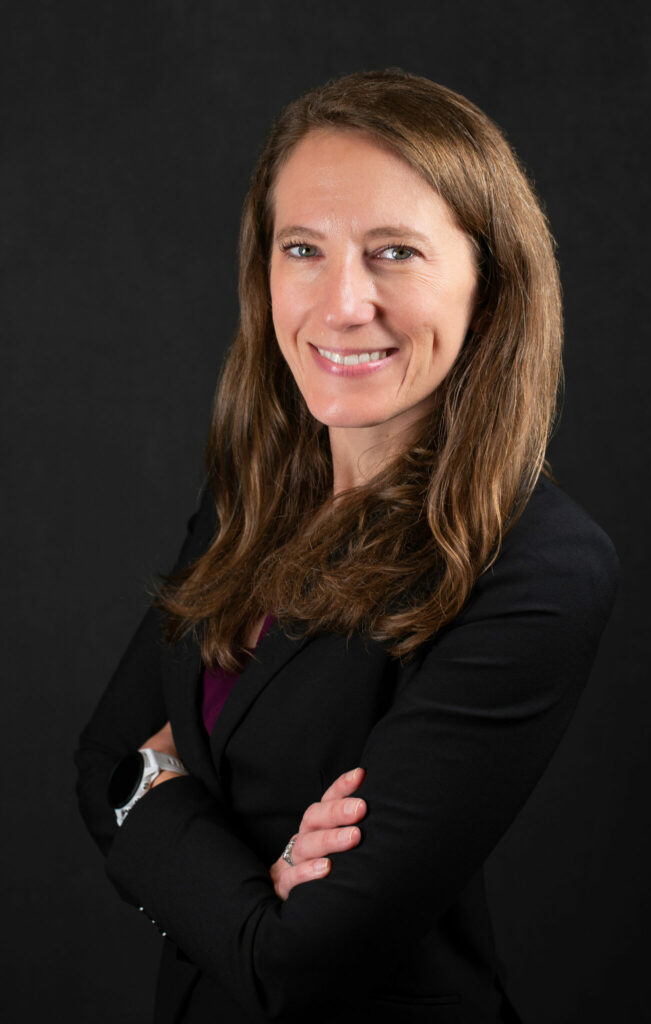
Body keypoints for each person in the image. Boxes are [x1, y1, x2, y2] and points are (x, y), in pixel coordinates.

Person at [75, 69, 619, 1023]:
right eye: (303, 249)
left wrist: (157, 797)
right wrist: (254, 884)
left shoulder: (539, 566)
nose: (341, 304)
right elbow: (102, 758)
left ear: (491, 285)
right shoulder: (249, 497)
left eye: (394, 252)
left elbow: (302, 960)